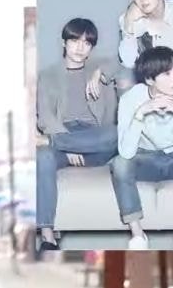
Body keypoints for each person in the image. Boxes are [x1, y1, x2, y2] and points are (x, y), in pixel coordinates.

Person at [110, 46, 173, 250]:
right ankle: (138, 236)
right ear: (149, 79)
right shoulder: (130, 99)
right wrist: (140, 114)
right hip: (145, 158)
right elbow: (126, 152)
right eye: (167, 73)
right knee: (120, 164)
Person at [35, 18, 120, 251]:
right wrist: (67, 143)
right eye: (75, 41)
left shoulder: (99, 68)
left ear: (92, 47)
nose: (80, 48)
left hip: (96, 138)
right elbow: (45, 117)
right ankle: (47, 235)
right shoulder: (48, 75)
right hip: (63, 131)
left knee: (117, 134)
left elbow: (123, 65)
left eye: (87, 43)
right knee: (43, 157)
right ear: (64, 42)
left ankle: (55, 142)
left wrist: (99, 73)